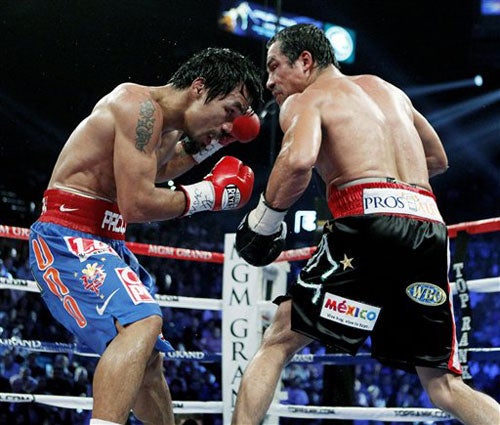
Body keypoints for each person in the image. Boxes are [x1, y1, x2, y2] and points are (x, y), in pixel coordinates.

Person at [234, 24, 500, 425]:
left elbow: (298, 162)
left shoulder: (307, 99)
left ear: (305, 61)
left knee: (278, 339)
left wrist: (264, 221)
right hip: (428, 225)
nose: (269, 81)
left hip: (365, 224)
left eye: (274, 66)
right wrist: (384, 180)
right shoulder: (390, 91)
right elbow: (438, 159)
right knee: (444, 386)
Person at [28, 46, 262, 425]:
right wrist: (208, 194)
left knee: (148, 357)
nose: (229, 124)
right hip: (68, 234)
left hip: (106, 240)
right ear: (199, 87)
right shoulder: (138, 106)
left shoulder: (166, 127)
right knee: (142, 322)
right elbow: (136, 204)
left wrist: (216, 143)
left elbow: (154, 171)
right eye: (230, 110)